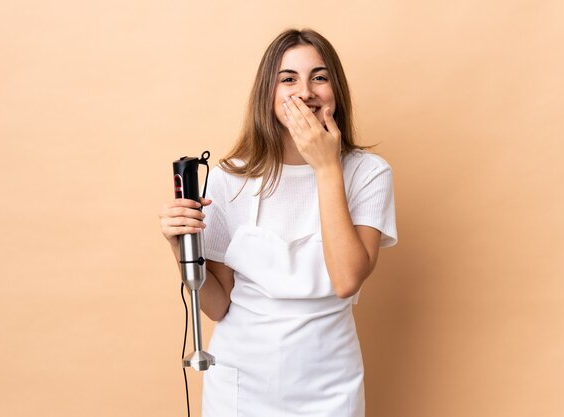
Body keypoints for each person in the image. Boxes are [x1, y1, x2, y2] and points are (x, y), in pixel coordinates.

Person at [159, 28, 397, 417]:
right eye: (288, 79)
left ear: (336, 91)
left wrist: (325, 166)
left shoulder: (368, 173)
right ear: (267, 95)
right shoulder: (229, 178)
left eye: (319, 77)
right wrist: (179, 246)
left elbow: (347, 280)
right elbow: (218, 306)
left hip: (329, 385)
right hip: (241, 383)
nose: (305, 92)